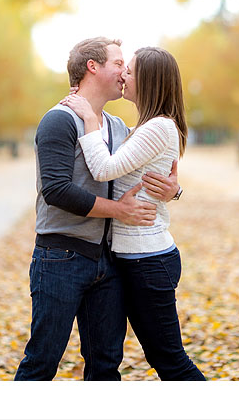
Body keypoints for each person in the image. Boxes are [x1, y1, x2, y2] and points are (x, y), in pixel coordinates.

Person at [14, 37, 181, 381]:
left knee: (105, 365)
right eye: (119, 63)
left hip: (108, 262)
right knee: (42, 361)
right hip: (61, 257)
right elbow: (56, 190)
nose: (124, 73)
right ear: (93, 67)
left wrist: (175, 189)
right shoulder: (58, 121)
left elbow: (152, 157)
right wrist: (119, 211)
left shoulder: (117, 127)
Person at [60, 46, 205, 380]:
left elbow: (103, 168)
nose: (123, 74)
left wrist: (90, 119)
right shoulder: (144, 127)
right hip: (131, 257)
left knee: (169, 359)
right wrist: (175, 191)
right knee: (153, 356)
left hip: (148, 259)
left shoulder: (158, 128)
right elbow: (145, 177)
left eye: (131, 70)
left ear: (149, 80)